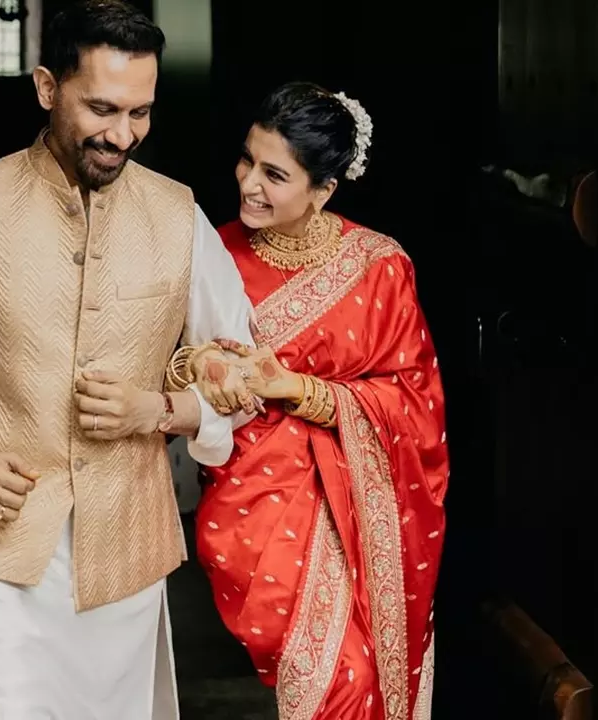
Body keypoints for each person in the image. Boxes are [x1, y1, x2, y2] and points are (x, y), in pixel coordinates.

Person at [0, 2, 256, 717]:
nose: (122, 134)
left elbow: (243, 373)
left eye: (140, 112)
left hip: (125, 562)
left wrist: (159, 409)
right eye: (101, 108)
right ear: (48, 88)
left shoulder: (180, 218)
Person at [171, 82, 448, 719]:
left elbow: (415, 404)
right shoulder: (212, 255)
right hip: (256, 505)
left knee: (352, 677)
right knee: (326, 672)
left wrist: (295, 388)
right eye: (247, 160)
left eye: (274, 175)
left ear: (323, 190)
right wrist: (202, 365)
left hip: (360, 507)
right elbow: (167, 363)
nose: (249, 184)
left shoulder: (379, 266)